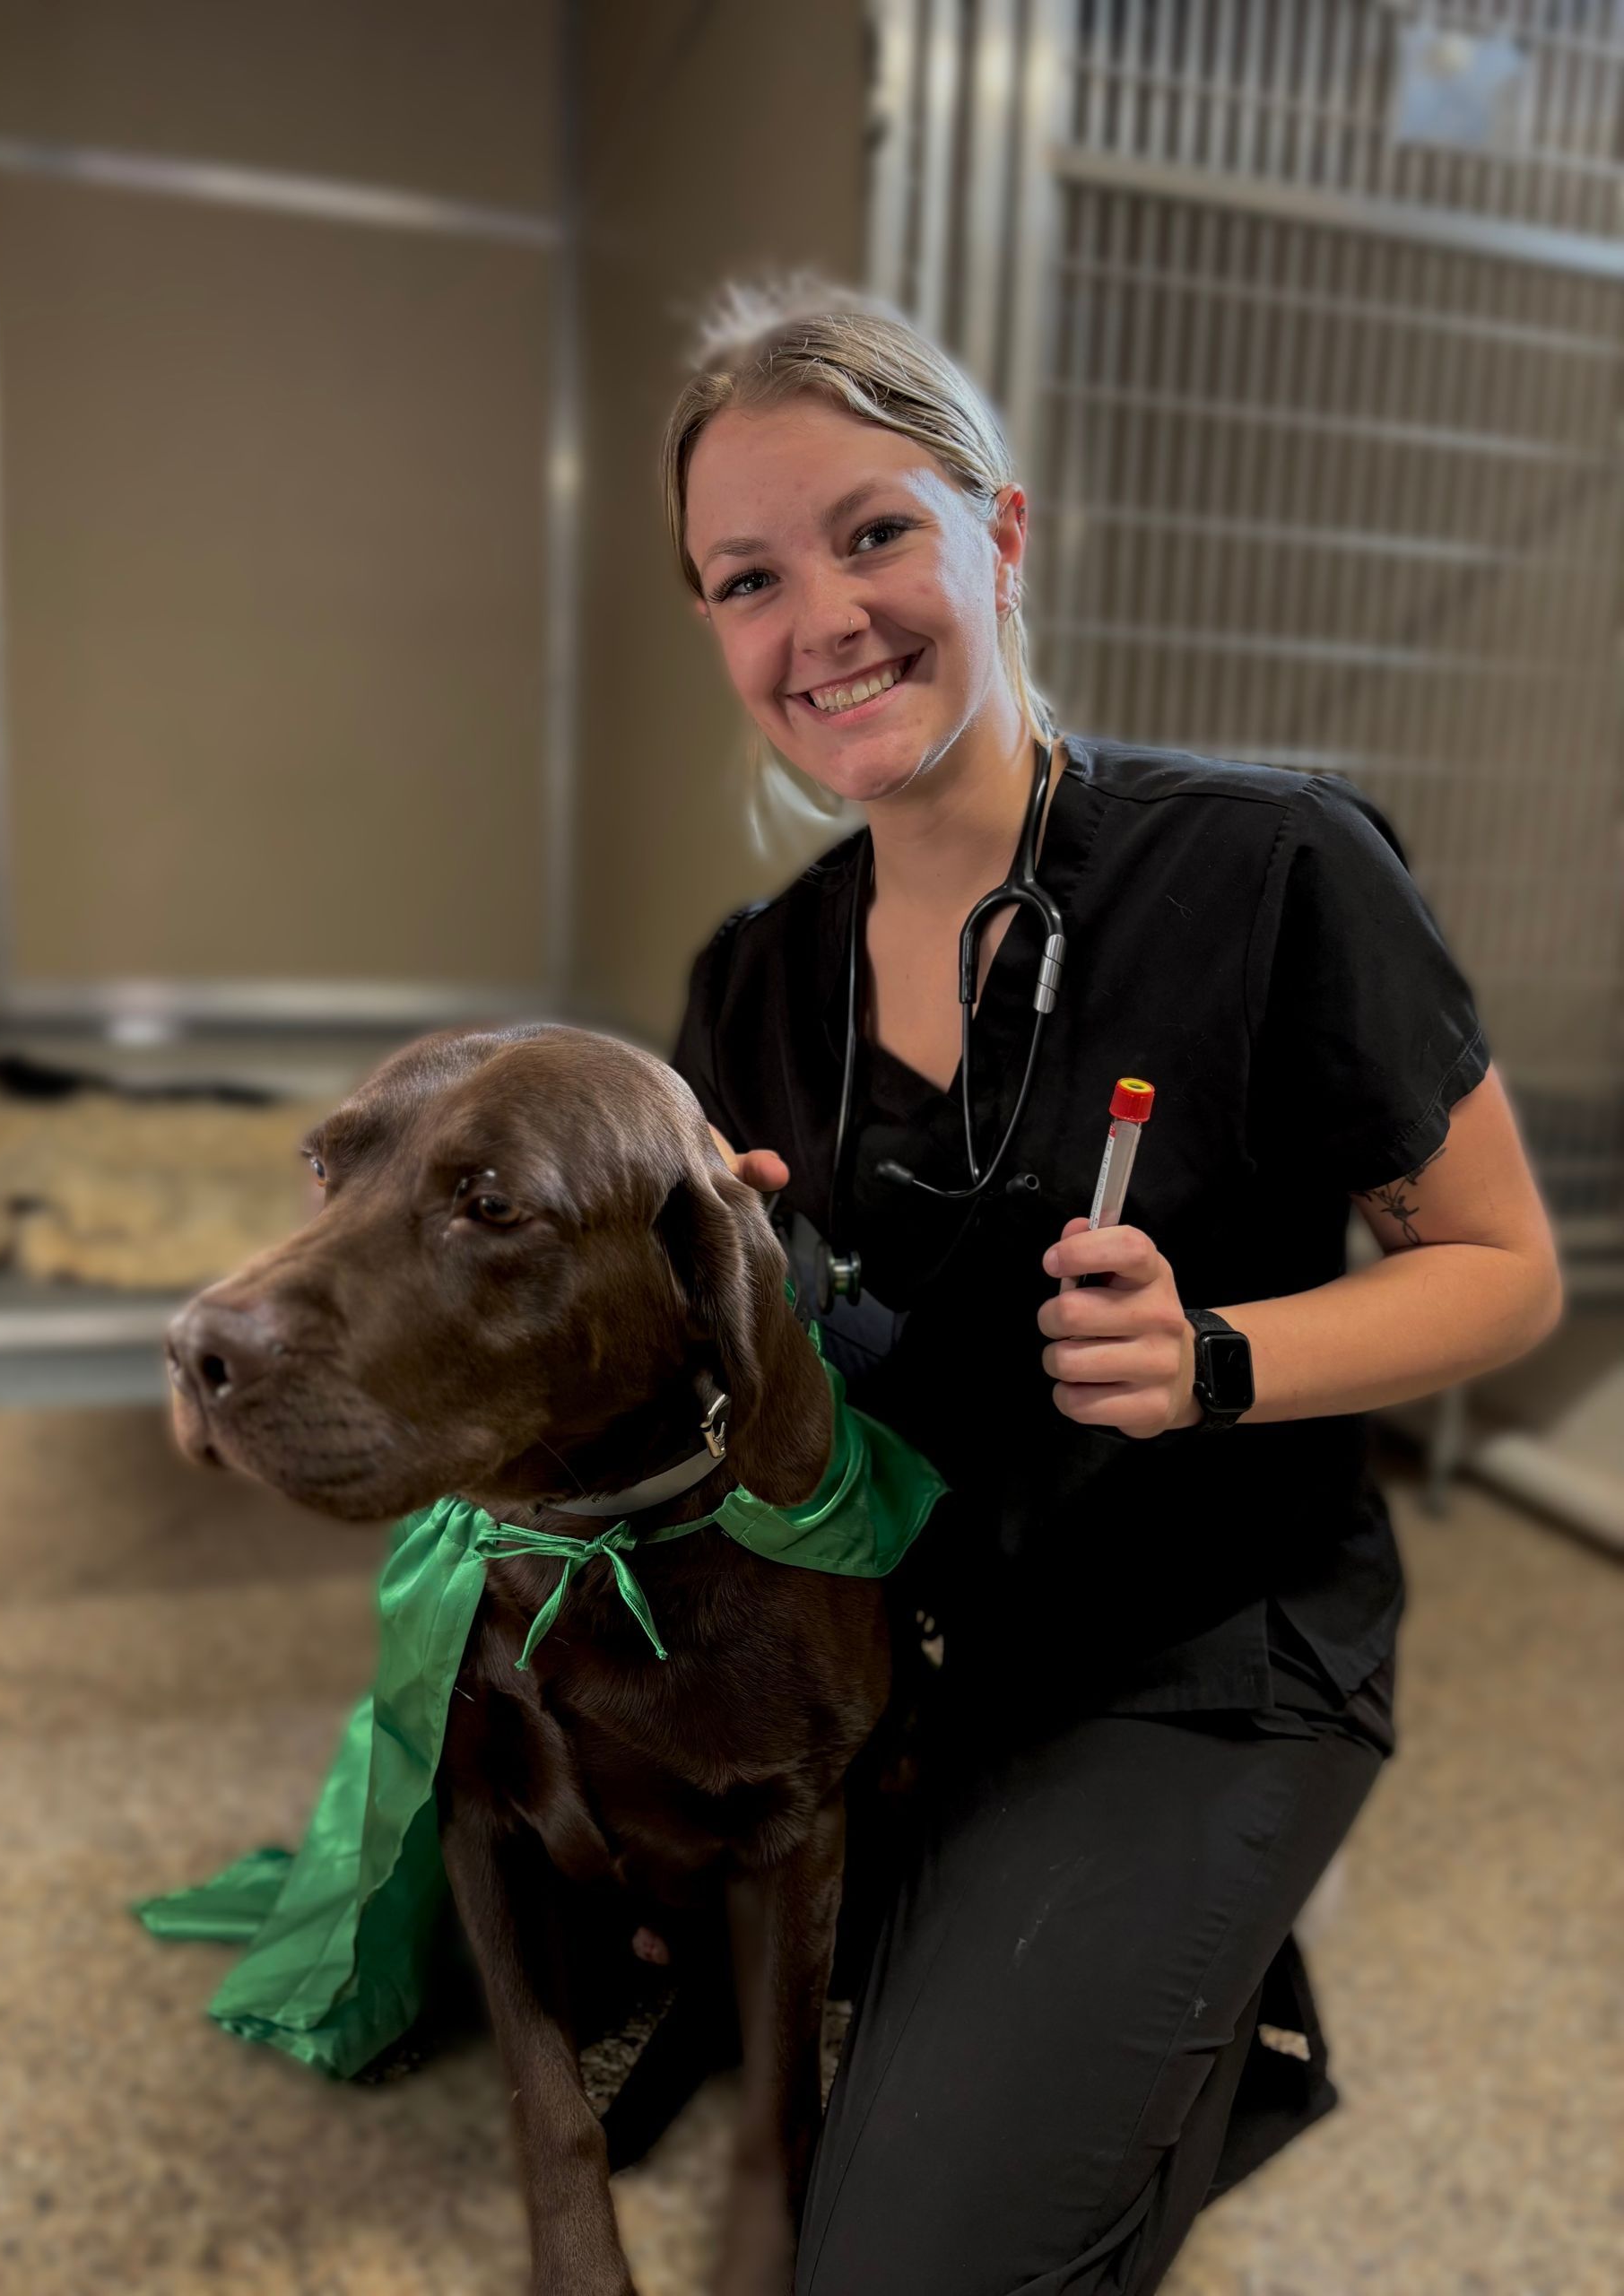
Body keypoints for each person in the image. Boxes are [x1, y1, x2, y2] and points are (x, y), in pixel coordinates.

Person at [660, 279, 1562, 2296]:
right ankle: (1161, 2033)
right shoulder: (752, 980)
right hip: (910, 1657)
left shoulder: (1270, 868)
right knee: (789, 2148)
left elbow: (1504, 1272)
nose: (822, 621)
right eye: (746, 578)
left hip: (1204, 1646)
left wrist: (1218, 1352)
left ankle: (1192, 2006)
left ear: (1002, 530)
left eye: (876, 530)